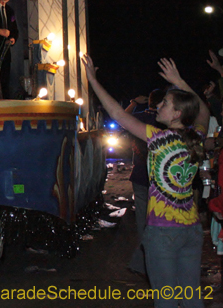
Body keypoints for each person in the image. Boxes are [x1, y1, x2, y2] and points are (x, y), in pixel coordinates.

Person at [82, 55, 208, 308]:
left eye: (166, 104)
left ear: (177, 114)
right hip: (191, 230)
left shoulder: (159, 138)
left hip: (164, 232)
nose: (159, 105)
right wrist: (180, 82)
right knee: (191, 298)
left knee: (166, 300)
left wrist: (93, 81)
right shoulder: (195, 137)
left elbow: (117, 113)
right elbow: (204, 111)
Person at [123, 89, 165, 279]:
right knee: (160, 222)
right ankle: (150, 264)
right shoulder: (164, 122)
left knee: (143, 222)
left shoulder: (140, 117)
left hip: (140, 176)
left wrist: (133, 102)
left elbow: (122, 118)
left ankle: (142, 263)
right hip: (161, 179)